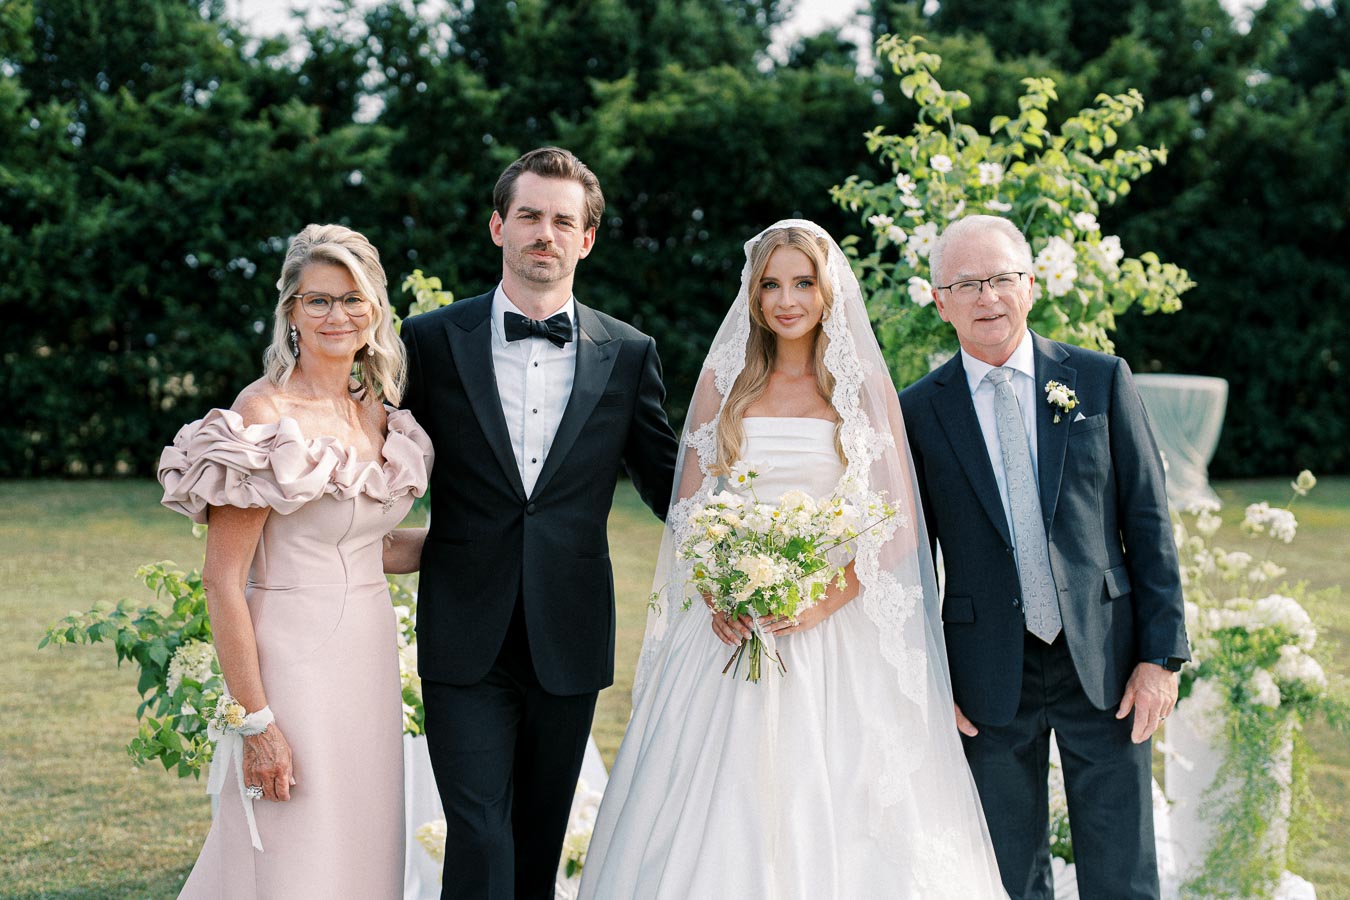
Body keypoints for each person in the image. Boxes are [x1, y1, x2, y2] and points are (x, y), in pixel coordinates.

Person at [578, 220, 1007, 898]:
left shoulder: (861, 386)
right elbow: (690, 511)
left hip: (834, 630)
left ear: (826, 289)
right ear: (753, 295)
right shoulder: (727, 384)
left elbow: (893, 526)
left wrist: (817, 601)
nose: (786, 300)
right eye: (771, 284)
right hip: (731, 629)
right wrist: (721, 594)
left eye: (802, 283)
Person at [399, 146, 679, 898]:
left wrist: (757, 527)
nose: (543, 233)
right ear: (498, 226)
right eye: (528, 216)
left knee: (536, 844)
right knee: (479, 827)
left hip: (570, 629)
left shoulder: (628, 353)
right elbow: (372, 455)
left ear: (586, 239)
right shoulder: (428, 342)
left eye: (563, 220)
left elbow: (670, 486)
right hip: (463, 627)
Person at [898, 214, 1190, 899]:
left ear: (1030, 286)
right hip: (983, 673)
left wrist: (1161, 658)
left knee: (1123, 868)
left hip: (1107, 659)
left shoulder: (1099, 380)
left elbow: (1149, 524)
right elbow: (906, 564)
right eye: (965, 284)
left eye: (1000, 279)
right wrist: (927, 685)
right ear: (940, 302)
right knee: (1005, 873)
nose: (986, 297)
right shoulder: (915, 411)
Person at [157, 224, 433, 898]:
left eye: (351, 299)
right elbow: (222, 579)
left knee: (364, 844)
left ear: (374, 312)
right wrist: (256, 720)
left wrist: (497, 544)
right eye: (318, 301)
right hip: (292, 665)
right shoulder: (262, 416)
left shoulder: (377, 417)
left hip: (368, 662)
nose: (336, 315)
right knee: (295, 849)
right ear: (291, 314)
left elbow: (377, 546)